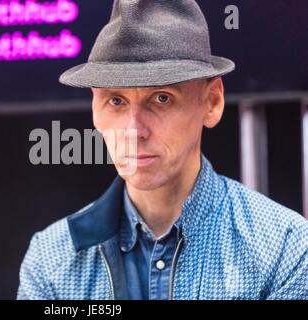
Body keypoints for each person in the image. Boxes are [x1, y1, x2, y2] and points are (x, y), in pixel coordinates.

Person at [17, 0, 308, 300]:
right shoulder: (51, 260)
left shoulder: (284, 250)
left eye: (162, 98)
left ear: (212, 102)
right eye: (116, 101)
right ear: (95, 109)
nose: (134, 131)